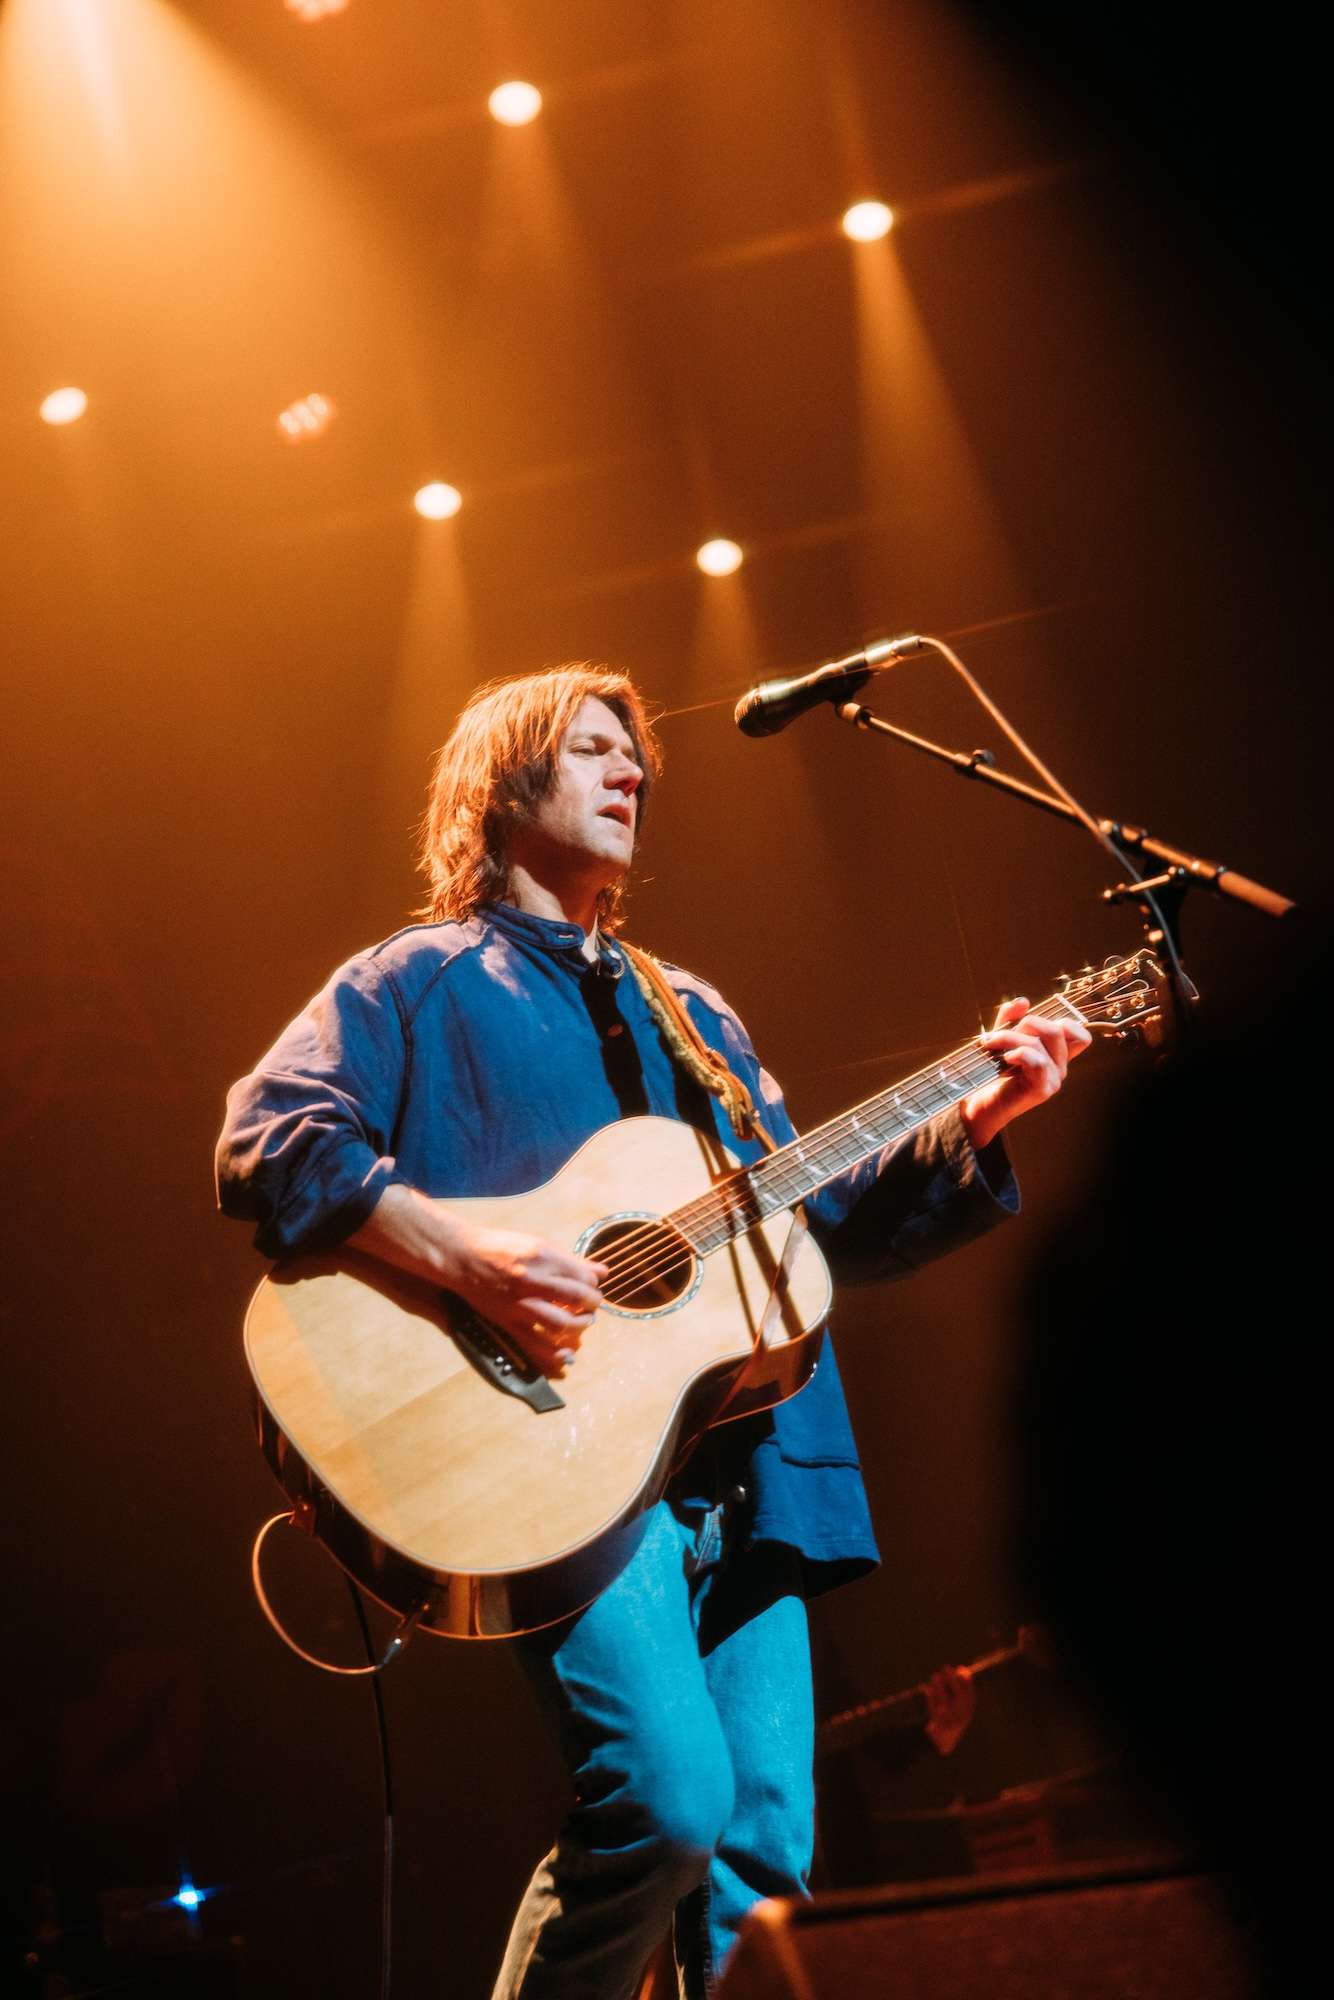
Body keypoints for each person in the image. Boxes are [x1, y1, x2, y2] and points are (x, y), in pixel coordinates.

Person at [215, 664, 1089, 1999]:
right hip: (562, 1462)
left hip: (752, 1461)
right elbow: (269, 1142)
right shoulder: (415, 981)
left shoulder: (695, 1013)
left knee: (762, 1864)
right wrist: (466, 1256)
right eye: (591, 750)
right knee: (666, 1804)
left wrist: (974, 1119)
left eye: (634, 758)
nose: (629, 772)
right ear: (503, 783)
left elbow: (811, 1227)